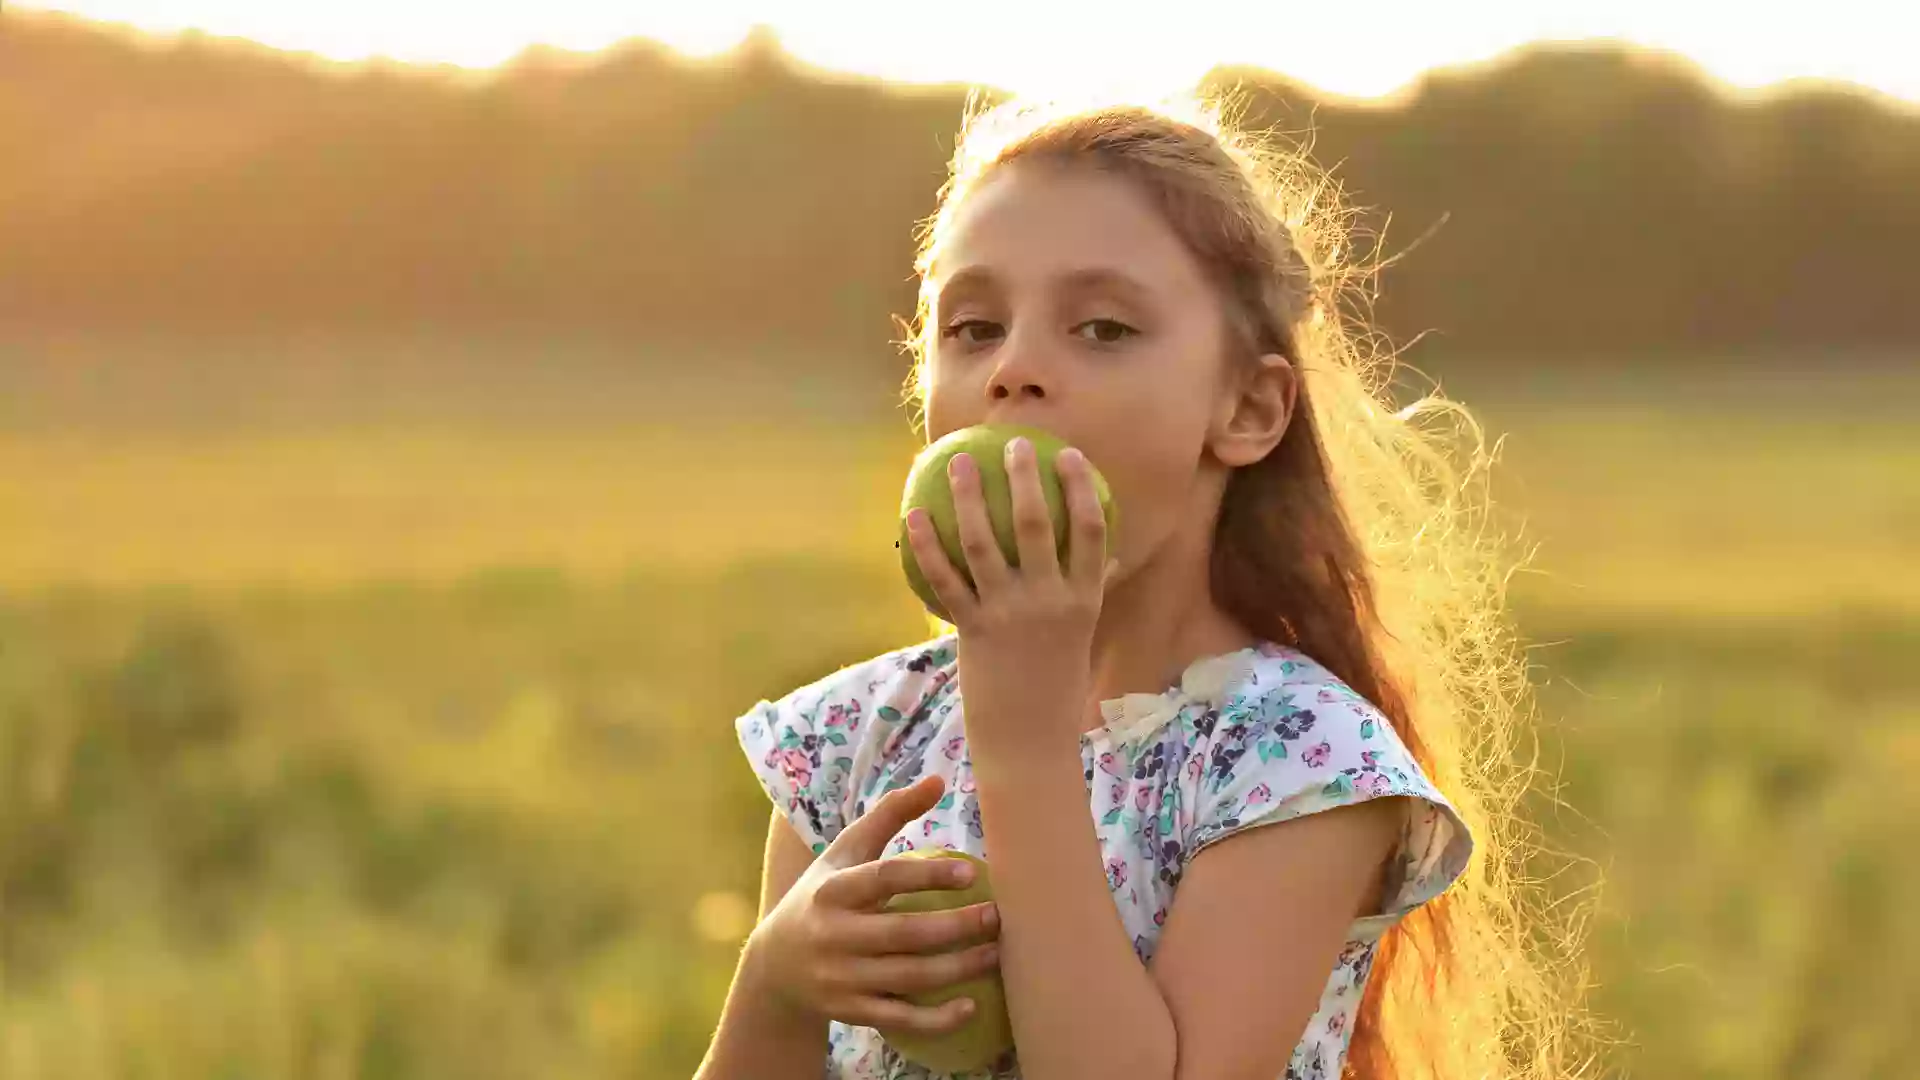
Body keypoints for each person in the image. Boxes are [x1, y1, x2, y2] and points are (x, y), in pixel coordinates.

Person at [695, 89, 1586, 1080]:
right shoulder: (863, 736)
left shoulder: (1293, 762)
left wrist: (1025, 744)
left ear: (1248, 408)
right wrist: (774, 981)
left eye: (1105, 329)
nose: (1016, 368)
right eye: (975, 327)